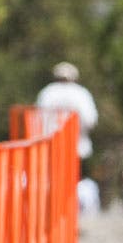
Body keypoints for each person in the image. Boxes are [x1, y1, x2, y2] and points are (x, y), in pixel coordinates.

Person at [36, 62, 100, 214]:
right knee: (72, 180)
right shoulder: (81, 94)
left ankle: (54, 210)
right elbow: (90, 120)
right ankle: (70, 212)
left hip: (51, 146)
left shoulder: (47, 93)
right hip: (76, 146)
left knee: (53, 179)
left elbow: (37, 120)